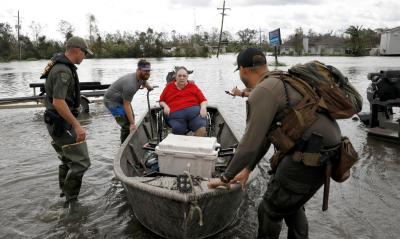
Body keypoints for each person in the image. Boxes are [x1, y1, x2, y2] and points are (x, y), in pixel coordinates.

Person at [208, 48, 342, 239]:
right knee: (291, 206)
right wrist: (248, 169)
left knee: (269, 209)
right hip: (328, 151)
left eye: (239, 71)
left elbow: (249, 143)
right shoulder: (281, 79)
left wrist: (225, 178)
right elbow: (265, 137)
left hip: (310, 155)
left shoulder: (262, 91)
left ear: (243, 70)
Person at [41, 36, 93, 208]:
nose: (85, 56)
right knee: (81, 162)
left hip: (57, 123)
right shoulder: (63, 71)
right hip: (62, 124)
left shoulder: (60, 66)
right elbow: (58, 101)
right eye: (84, 52)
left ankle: (65, 195)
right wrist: (77, 125)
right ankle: (72, 203)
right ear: (77, 50)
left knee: (68, 160)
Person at [103, 59, 153, 143]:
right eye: (145, 71)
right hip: (112, 102)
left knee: (131, 118)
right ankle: (124, 145)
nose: (147, 73)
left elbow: (144, 80)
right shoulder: (131, 85)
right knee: (126, 125)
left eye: (149, 71)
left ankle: (130, 139)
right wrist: (132, 124)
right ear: (138, 70)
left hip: (122, 100)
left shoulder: (141, 77)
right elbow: (127, 104)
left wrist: (148, 86)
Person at [159, 66, 208, 136]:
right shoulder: (169, 87)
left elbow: (203, 100)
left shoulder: (193, 86)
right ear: (176, 77)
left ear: (187, 77)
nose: (182, 78)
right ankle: (184, 142)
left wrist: (203, 108)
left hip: (194, 116)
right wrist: (165, 106)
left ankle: (191, 144)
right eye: (179, 76)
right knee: (178, 130)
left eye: (184, 76)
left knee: (201, 129)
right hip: (176, 117)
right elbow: (161, 101)